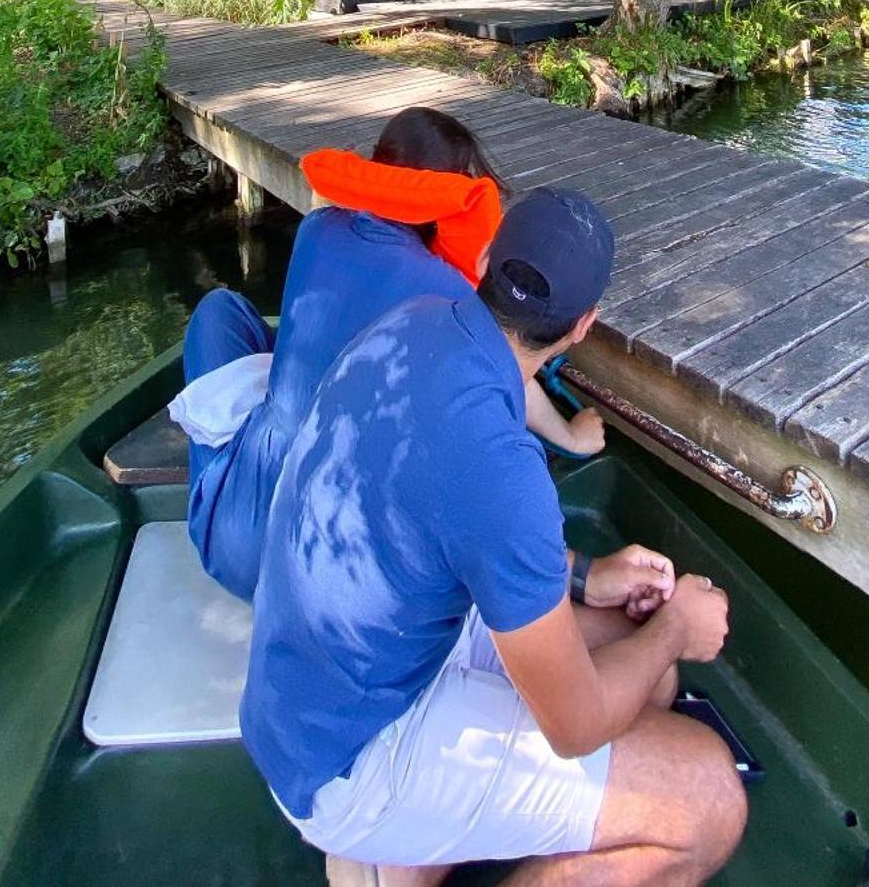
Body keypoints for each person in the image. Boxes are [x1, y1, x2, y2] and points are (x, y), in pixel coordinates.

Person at [241, 185, 748, 886]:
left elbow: (450, 518)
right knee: (709, 798)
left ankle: (396, 865)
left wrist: (585, 575)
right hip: (348, 757)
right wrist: (678, 629)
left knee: (643, 673)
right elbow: (575, 725)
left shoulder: (413, 321)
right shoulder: (503, 469)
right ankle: (379, 834)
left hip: (309, 696)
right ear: (582, 325)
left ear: (482, 258)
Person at [175, 107, 604, 603]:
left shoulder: (316, 230)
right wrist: (572, 435)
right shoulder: (448, 295)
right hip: (311, 579)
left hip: (229, 544)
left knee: (219, 310)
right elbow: (507, 371)